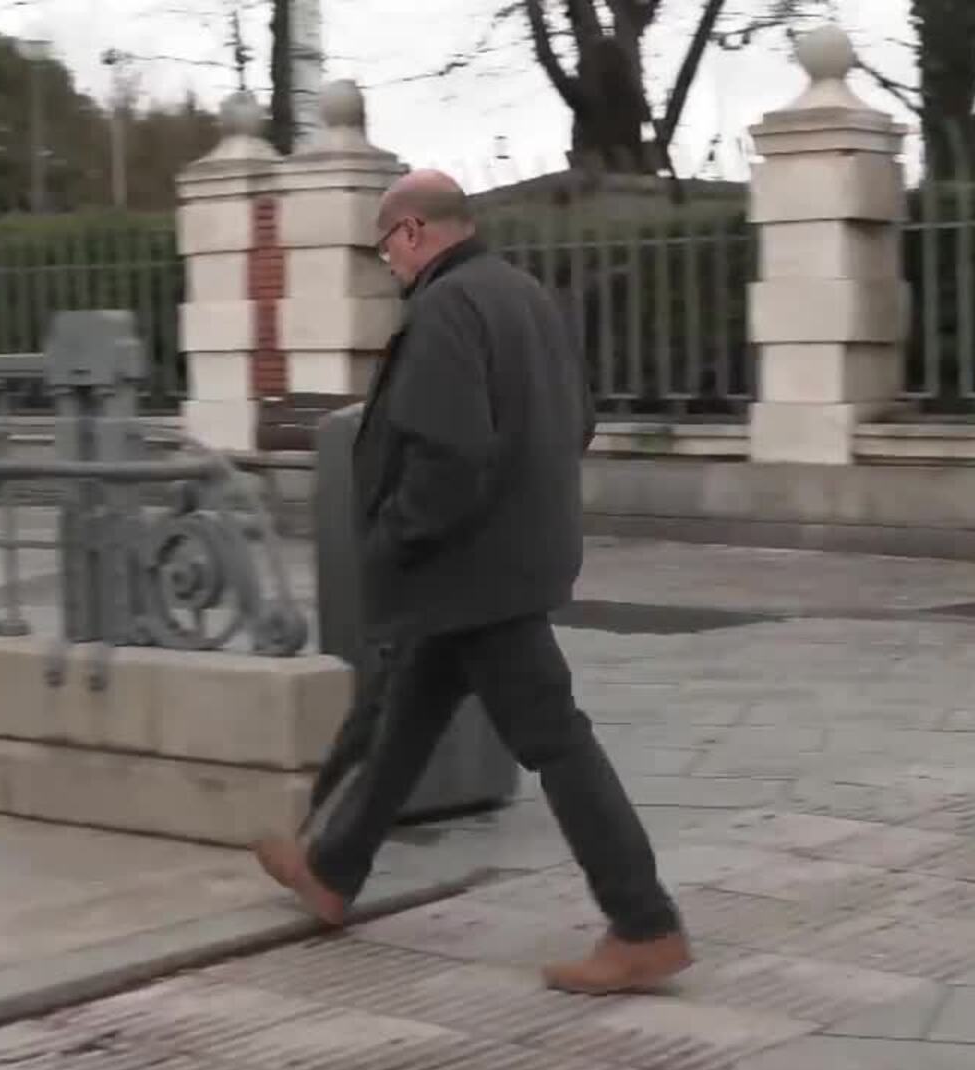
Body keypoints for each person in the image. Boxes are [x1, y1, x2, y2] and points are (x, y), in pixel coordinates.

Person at [252, 169, 692, 994]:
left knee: (555, 737)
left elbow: (448, 453)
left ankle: (644, 921)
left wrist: (396, 533)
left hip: (471, 568)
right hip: (505, 558)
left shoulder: (446, 308)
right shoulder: (525, 296)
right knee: (405, 718)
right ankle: (332, 869)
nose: (388, 265)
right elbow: (579, 421)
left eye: (386, 249)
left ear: (413, 231)